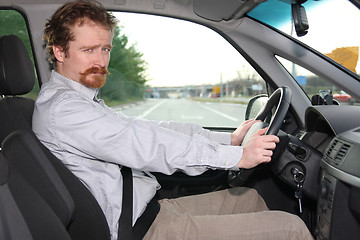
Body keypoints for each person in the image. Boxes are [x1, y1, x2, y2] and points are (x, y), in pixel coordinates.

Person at [33, 1, 313, 239]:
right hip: (141, 230)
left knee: (252, 198)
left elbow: (150, 129)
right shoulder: (64, 109)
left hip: (147, 210)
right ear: (59, 51)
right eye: (88, 50)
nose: (101, 61)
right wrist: (235, 157)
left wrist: (229, 139)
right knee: (291, 228)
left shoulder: (80, 99)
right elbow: (146, 144)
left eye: (105, 49)